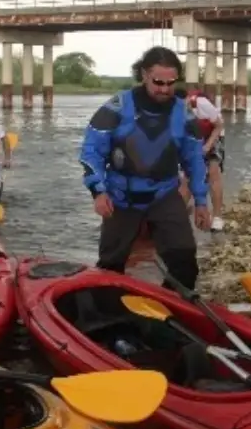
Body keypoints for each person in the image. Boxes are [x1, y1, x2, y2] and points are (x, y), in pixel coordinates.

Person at [79, 46, 211, 291]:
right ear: (143, 75)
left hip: (164, 195)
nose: (164, 89)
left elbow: (194, 159)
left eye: (171, 83)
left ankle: (171, 309)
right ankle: (107, 311)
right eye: (158, 82)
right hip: (121, 197)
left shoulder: (184, 113)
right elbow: (91, 152)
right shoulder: (116, 107)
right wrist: (98, 191)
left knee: (184, 260)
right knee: (110, 265)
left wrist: (201, 201)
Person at [187, 89, 226, 231]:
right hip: (194, 138)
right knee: (185, 177)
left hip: (213, 134)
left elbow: (219, 125)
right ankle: (178, 216)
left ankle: (217, 217)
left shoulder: (201, 103)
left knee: (213, 172)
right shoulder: (172, 112)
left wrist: (208, 145)